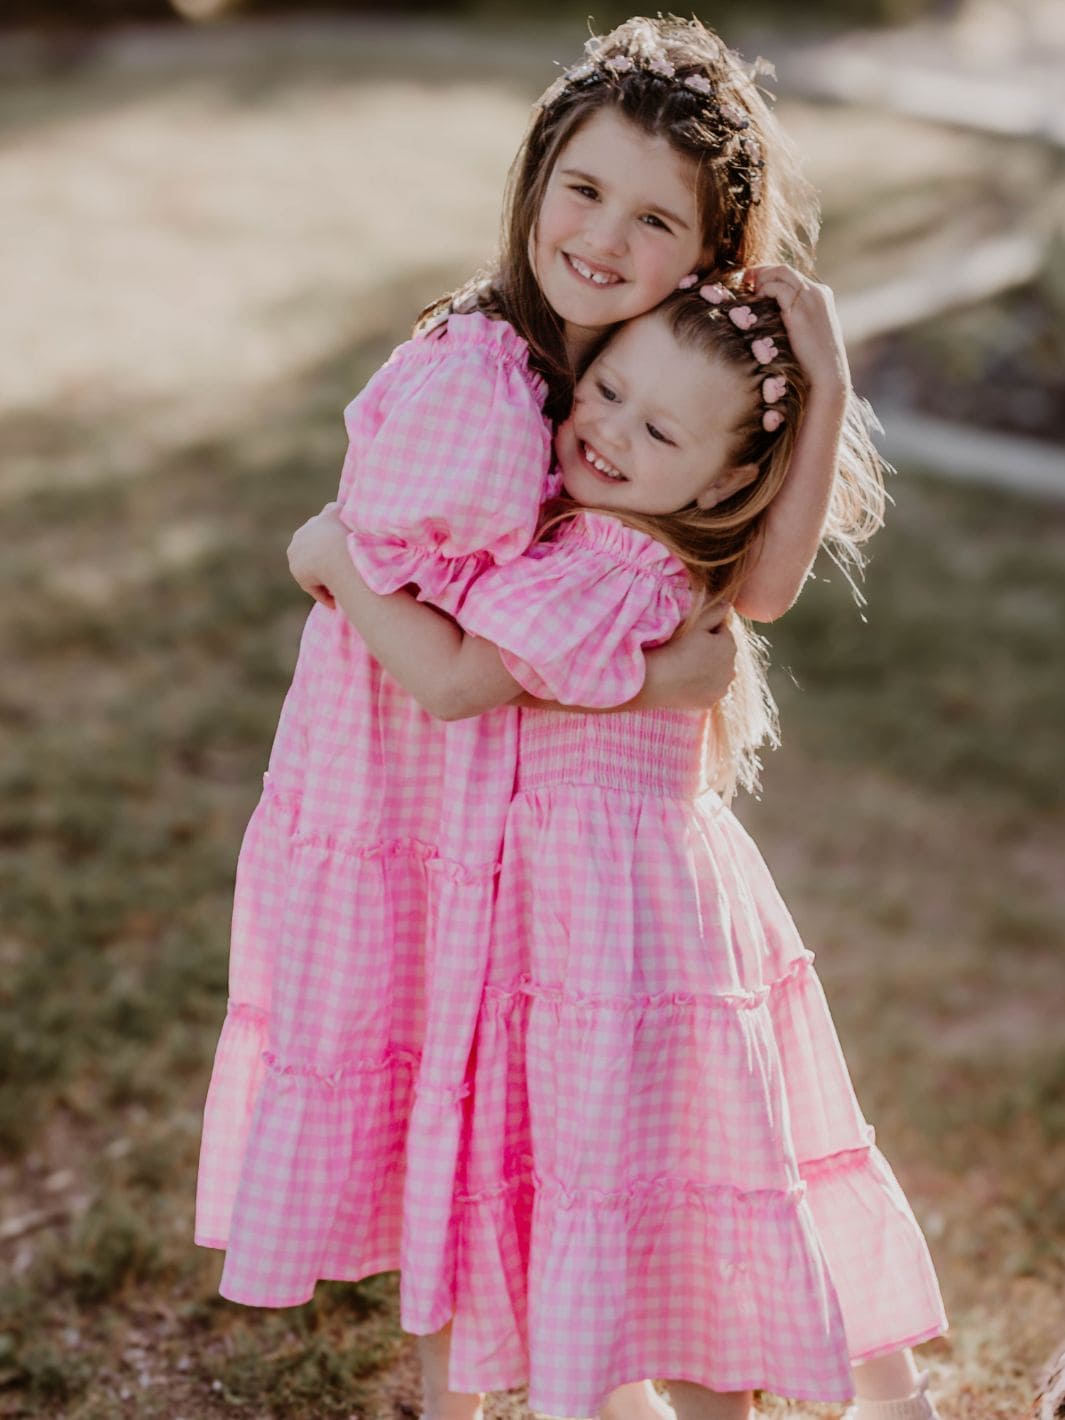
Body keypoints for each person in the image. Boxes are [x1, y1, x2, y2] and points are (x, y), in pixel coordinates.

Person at [195, 15, 908, 1420]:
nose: (601, 235)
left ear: (707, 255)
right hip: (423, 809)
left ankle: (594, 1380)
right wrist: (340, 554)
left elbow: (747, 587)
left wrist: (820, 387)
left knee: (582, 1131)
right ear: (534, 176)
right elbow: (452, 660)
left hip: (536, 841)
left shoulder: (657, 389)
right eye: (583, 189)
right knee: (498, 1127)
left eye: (653, 217)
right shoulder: (497, 380)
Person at [286, 283, 949, 1420]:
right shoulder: (650, 546)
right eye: (606, 388)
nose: (609, 428)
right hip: (653, 902)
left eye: (659, 430)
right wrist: (826, 388)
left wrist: (339, 557)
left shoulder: (602, 563)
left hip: (607, 925)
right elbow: (777, 578)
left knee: (669, 1186)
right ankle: (864, 1396)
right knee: (720, 1155)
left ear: (728, 479)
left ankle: (703, 1393)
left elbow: (451, 683)